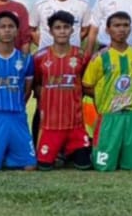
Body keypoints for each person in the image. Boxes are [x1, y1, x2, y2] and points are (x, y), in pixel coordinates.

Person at [82, 12, 132, 172]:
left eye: (125, 25)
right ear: (108, 30)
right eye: (117, 26)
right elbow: (87, 85)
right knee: (104, 167)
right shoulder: (100, 57)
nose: (121, 29)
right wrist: (104, 97)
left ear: (130, 29)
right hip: (109, 117)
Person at [0, 12, 37, 172]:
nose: (7, 30)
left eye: (11, 26)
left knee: (30, 166)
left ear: (17, 31)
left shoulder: (26, 60)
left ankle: (10, 156)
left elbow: (28, 88)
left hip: (17, 116)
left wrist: (18, 105)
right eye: (2, 27)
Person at [33, 11, 92, 170]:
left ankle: (70, 151)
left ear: (72, 30)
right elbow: (37, 84)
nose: (62, 31)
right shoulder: (40, 57)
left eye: (66, 27)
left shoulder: (82, 56)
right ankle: (57, 152)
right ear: (51, 31)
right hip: (51, 125)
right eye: (57, 27)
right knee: (44, 167)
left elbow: (87, 82)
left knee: (84, 165)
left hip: (76, 124)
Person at [30, 0, 94, 54]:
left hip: (73, 58)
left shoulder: (83, 4)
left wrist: (68, 43)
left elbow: (85, 30)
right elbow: (31, 30)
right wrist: (45, 45)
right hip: (46, 59)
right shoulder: (40, 4)